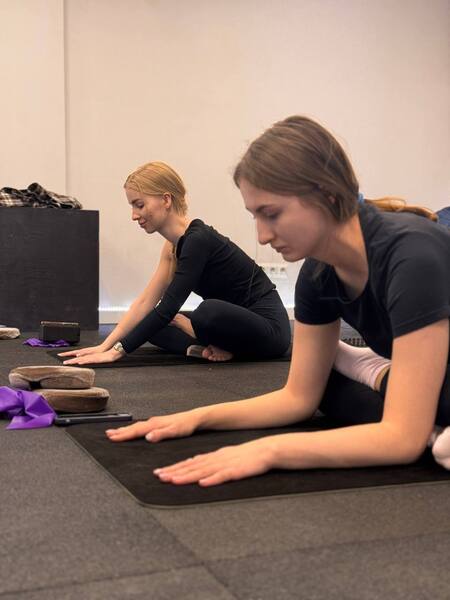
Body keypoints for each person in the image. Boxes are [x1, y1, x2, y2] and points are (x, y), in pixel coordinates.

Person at [106, 117, 450, 485]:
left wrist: (269, 450)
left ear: (328, 195)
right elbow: (298, 399)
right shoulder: (317, 274)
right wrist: (197, 417)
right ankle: (414, 408)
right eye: (255, 216)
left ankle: (395, 390)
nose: (262, 235)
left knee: (408, 407)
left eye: (271, 214)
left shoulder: (411, 255)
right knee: (325, 389)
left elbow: (401, 439)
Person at [61, 161, 291, 366]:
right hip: (231, 325)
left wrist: (116, 353)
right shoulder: (171, 247)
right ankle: (204, 349)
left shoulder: (198, 240)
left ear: (166, 200)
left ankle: (217, 342)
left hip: (269, 330)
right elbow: (144, 303)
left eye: (139, 205)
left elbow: (169, 305)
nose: (133, 215)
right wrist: (105, 346)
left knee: (205, 312)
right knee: (148, 324)